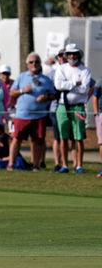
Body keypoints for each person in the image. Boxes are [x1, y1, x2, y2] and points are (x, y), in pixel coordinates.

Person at [7, 52, 56, 171]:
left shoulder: (46, 80)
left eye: (37, 62)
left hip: (39, 115)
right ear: (27, 64)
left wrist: (46, 97)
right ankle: (11, 164)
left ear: (40, 64)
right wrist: (23, 90)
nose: (34, 64)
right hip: (22, 114)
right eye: (31, 62)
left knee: (37, 140)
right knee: (16, 139)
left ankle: (35, 165)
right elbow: (11, 92)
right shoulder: (21, 77)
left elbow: (54, 95)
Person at [53, 43, 92, 173]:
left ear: (78, 55)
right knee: (63, 137)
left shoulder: (85, 70)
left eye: (74, 54)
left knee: (78, 137)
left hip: (78, 107)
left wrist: (68, 85)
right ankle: (65, 165)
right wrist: (75, 83)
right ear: (66, 55)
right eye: (69, 54)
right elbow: (58, 85)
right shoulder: (62, 68)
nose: (72, 56)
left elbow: (85, 89)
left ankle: (79, 165)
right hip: (63, 106)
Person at [44, 50, 65, 172]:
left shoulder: (76, 71)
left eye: (64, 55)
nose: (62, 58)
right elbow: (47, 91)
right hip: (55, 109)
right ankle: (58, 163)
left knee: (69, 138)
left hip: (69, 108)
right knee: (57, 137)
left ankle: (68, 164)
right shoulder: (52, 73)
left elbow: (90, 85)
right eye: (60, 56)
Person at [93, 79, 102, 178]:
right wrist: (96, 114)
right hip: (101, 115)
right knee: (101, 142)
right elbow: (95, 96)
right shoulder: (100, 81)